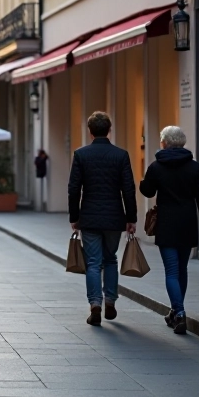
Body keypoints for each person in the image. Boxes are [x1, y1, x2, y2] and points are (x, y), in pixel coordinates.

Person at [140, 126, 199, 335]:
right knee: (182, 269)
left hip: (166, 223)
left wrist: (142, 182)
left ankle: (179, 312)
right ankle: (175, 312)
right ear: (182, 142)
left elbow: (148, 191)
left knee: (171, 271)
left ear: (164, 142)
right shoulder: (194, 168)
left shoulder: (157, 166)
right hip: (187, 222)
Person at [67, 111, 137, 327]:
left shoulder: (81, 155)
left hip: (89, 217)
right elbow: (128, 189)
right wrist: (131, 218)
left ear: (90, 131)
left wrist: (75, 217)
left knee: (93, 263)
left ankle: (95, 304)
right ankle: (110, 301)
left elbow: (73, 189)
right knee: (111, 259)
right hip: (115, 217)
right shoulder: (121, 155)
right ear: (109, 129)